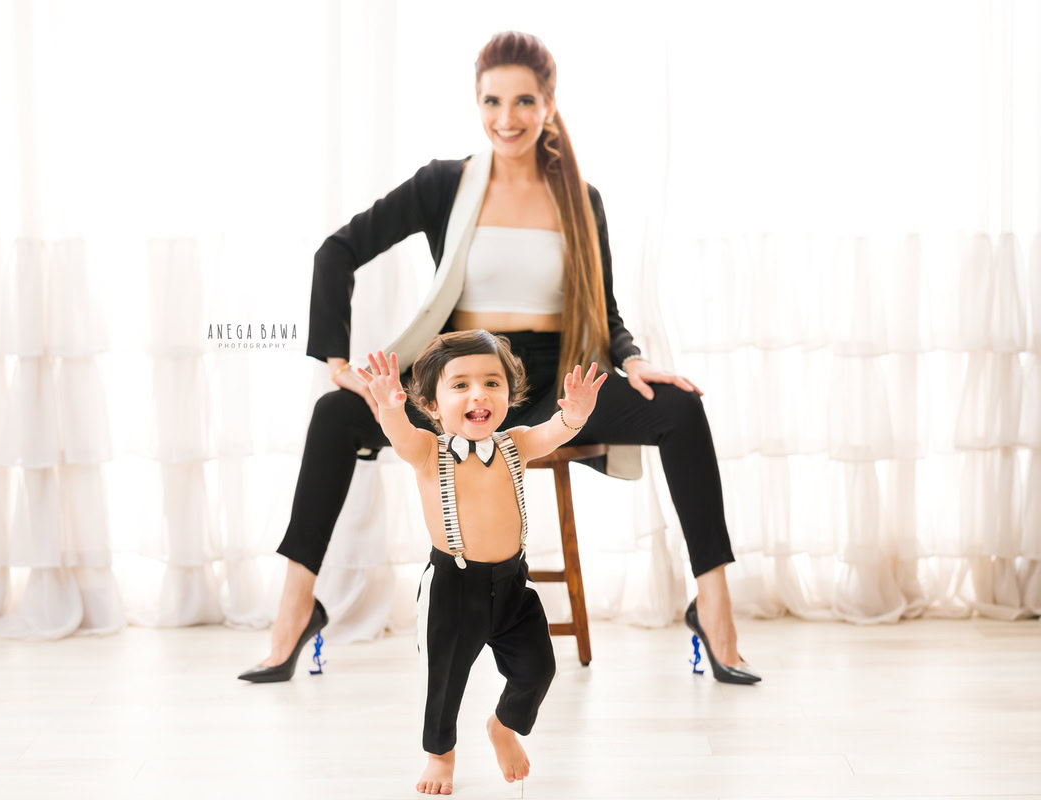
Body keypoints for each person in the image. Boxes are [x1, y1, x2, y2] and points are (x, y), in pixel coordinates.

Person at [238, 30, 759, 686]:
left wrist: (631, 362)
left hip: (555, 379)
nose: (505, 119)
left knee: (680, 408)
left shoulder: (580, 198)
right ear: (476, 102)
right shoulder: (443, 185)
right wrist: (336, 359)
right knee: (335, 414)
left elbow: (604, 311)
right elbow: (336, 251)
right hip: (465, 381)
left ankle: (714, 610)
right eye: (491, 102)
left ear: (548, 103)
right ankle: (294, 610)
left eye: (522, 102)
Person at [357, 333, 607, 795]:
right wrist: (390, 407)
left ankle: (503, 725)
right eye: (460, 386)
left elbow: (554, 431)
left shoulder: (516, 444)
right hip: (453, 588)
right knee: (443, 680)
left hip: (512, 584)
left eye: (492, 382)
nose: (478, 394)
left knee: (538, 667)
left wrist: (576, 413)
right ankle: (440, 755)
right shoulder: (428, 452)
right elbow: (400, 434)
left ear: (509, 396)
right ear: (432, 405)